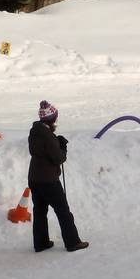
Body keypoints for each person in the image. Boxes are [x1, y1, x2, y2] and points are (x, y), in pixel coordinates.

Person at [28, 100, 88, 253]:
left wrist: (56, 142)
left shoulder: (34, 132)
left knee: (39, 211)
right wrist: (63, 148)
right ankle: (73, 242)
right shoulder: (47, 136)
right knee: (63, 211)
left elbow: (42, 152)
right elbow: (59, 158)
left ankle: (41, 243)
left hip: (34, 178)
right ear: (52, 119)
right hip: (48, 180)